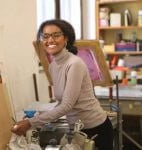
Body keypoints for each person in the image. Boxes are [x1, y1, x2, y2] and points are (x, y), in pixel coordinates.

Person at [11, 19, 114, 150]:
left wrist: (31, 122)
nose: (50, 40)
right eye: (46, 36)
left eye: (56, 35)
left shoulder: (74, 64)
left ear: (66, 38)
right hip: (78, 129)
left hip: (96, 129)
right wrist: (39, 116)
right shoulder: (53, 66)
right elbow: (62, 102)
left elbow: (67, 105)